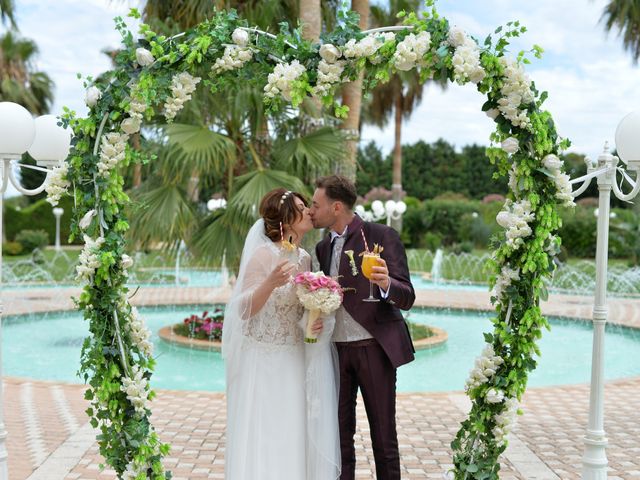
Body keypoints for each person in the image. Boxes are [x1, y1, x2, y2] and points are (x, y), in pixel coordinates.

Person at [222, 188, 340, 480]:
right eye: (302, 207)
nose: (310, 211)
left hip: (294, 359)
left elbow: (298, 313)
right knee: (264, 432)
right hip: (263, 361)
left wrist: (312, 321)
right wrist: (270, 283)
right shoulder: (263, 255)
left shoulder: (305, 259)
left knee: (291, 430)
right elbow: (243, 310)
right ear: (286, 219)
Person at [310, 175, 416, 480]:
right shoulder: (322, 248)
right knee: (339, 438)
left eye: (316, 205)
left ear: (337, 207)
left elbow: (407, 295)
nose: (311, 211)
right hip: (336, 353)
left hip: (374, 350)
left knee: (383, 438)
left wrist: (386, 284)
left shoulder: (382, 235)